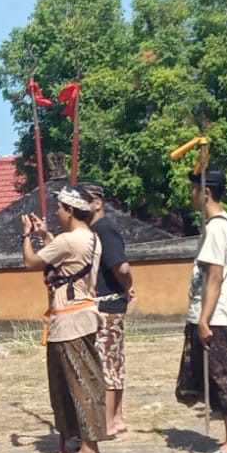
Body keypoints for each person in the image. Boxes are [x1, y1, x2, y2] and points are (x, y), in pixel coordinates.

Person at [22, 186, 106, 453]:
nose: (57, 212)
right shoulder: (91, 238)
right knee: (74, 384)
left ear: (70, 210)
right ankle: (81, 439)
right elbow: (64, 259)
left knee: (80, 385)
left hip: (70, 320)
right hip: (82, 315)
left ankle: (89, 449)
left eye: (59, 208)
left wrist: (26, 236)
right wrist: (45, 236)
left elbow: (31, 262)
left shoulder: (69, 240)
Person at [174, 167, 227, 453]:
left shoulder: (218, 227)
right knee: (221, 377)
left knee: (225, 378)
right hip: (215, 314)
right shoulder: (218, 224)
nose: (189, 195)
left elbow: (215, 276)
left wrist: (204, 319)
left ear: (205, 192)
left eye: (193, 189)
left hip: (218, 316)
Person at [84, 183, 134, 438]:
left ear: (97, 203)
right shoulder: (94, 230)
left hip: (107, 304)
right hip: (107, 303)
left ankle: (109, 421)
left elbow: (121, 267)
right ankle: (117, 417)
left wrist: (128, 286)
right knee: (113, 359)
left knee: (107, 362)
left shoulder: (104, 229)